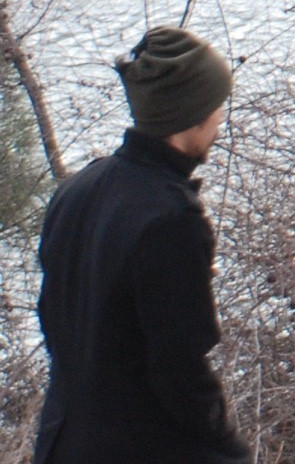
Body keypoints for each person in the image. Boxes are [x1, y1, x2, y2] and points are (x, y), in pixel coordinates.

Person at [35, 26, 248, 464]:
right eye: (216, 106)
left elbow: (53, 321)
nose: (220, 118)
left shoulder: (78, 188)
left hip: (61, 443)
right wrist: (228, 450)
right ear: (191, 115)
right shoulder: (171, 220)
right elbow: (181, 370)